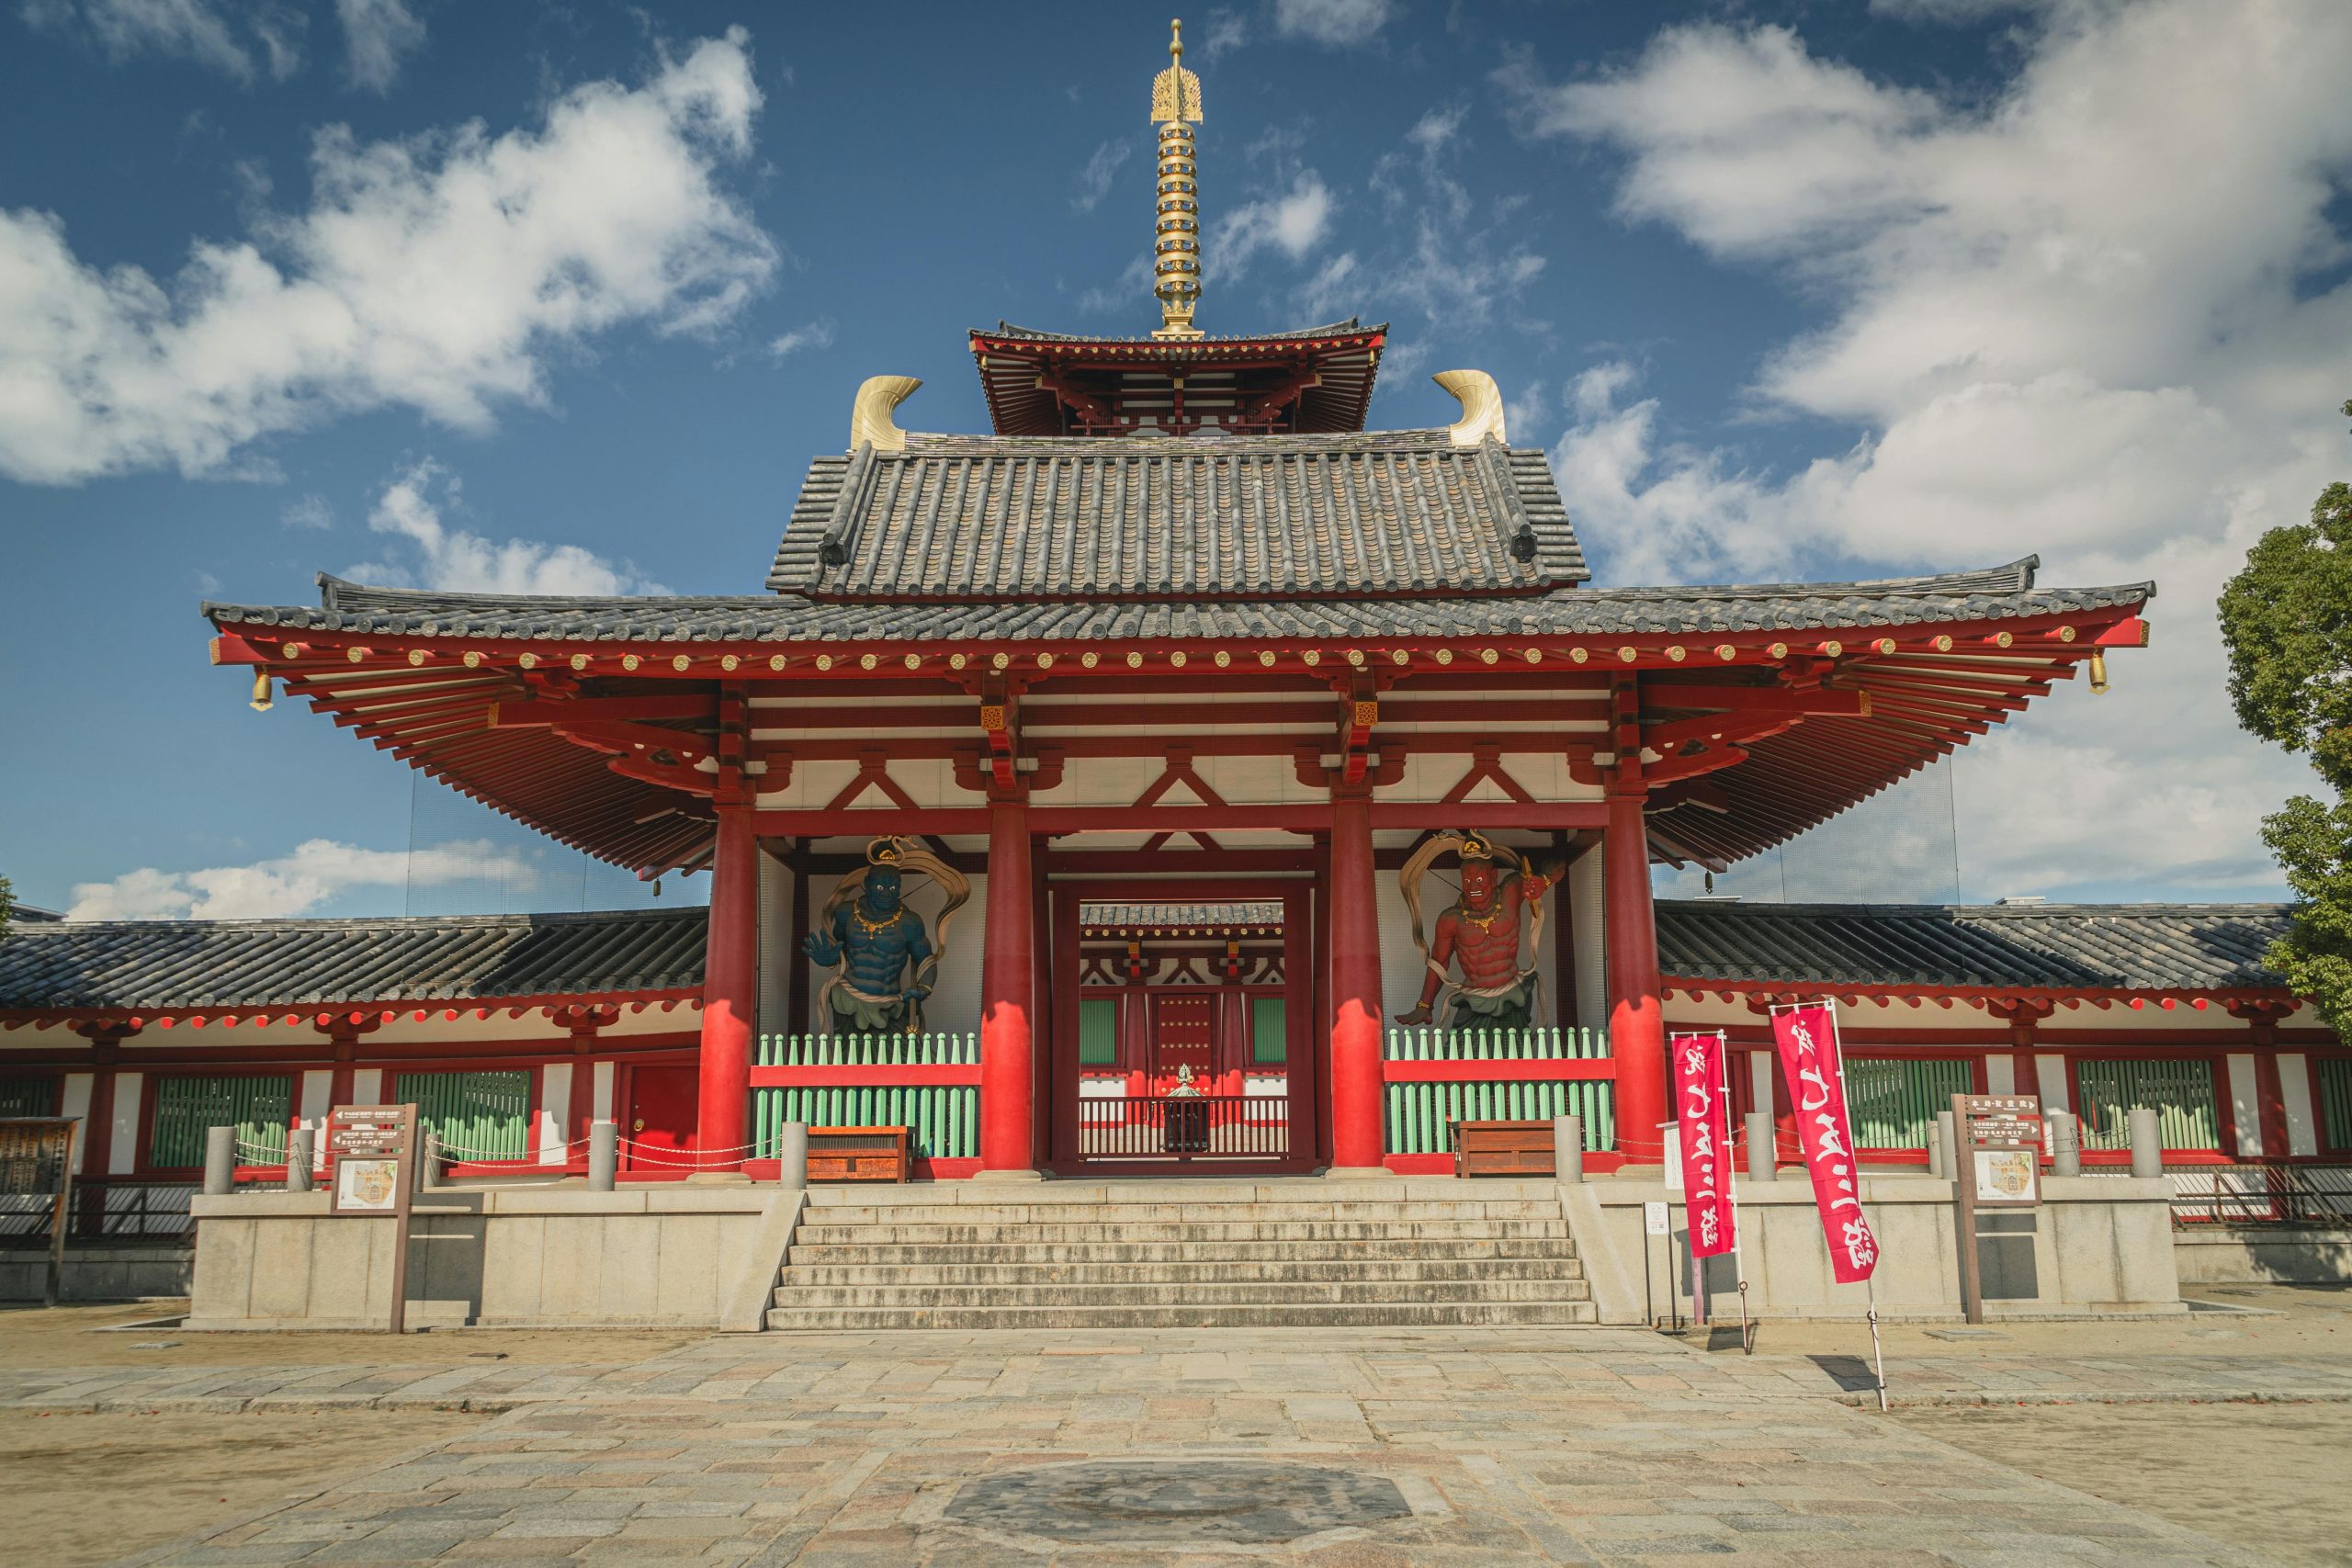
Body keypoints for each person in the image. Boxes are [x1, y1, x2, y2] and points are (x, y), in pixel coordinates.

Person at [1394, 833, 1563, 1033]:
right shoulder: (1450, 920)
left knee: (1514, 1056)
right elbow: (1438, 962)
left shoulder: (1512, 890)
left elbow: (1559, 864)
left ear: (1493, 878)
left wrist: (1543, 881)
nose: (1473, 886)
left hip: (1512, 995)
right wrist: (1424, 1005)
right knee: (1464, 1054)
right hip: (1474, 1000)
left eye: (1480, 878)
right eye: (1467, 879)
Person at [804, 840, 935, 1032]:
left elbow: (927, 960)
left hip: (891, 1004)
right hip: (848, 999)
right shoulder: (845, 913)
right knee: (848, 1058)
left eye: (893, 888)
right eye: (881, 888)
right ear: (867, 884)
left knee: (899, 1056)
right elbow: (837, 949)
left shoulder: (910, 922)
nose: (887, 894)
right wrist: (830, 961)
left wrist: (924, 989)